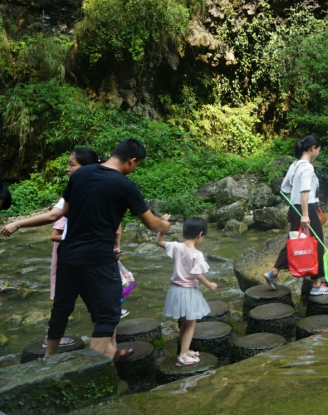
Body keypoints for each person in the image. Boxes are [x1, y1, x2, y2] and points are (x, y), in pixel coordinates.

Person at [41, 139, 170, 361]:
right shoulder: (125, 185)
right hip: (98, 257)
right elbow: (151, 224)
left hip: (69, 253)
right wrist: (165, 225)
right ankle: (90, 366)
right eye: (136, 165)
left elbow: (64, 212)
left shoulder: (81, 174)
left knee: (62, 308)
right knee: (109, 313)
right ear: (132, 161)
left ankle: (48, 359)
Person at [1, 147, 105, 348]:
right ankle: (105, 351)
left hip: (78, 255)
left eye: (71, 164)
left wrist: (17, 224)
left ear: (86, 167)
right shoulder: (102, 187)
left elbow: (52, 216)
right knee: (96, 305)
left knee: (73, 306)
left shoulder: (80, 189)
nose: (67, 169)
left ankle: (101, 351)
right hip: (89, 254)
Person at [264, 136, 328, 295]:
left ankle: (273, 273)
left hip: (294, 209)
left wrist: (298, 204)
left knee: (295, 243)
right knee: (316, 245)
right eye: (318, 150)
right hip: (306, 210)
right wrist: (306, 215)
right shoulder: (307, 167)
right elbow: (305, 192)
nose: (318, 154)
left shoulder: (294, 165)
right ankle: (316, 285)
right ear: (313, 148)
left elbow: (284, 188)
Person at [156, 216, 217, 367]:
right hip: (188, 291)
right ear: (200, 235)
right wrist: (209, 285)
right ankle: (183, 356)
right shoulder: (197, 254)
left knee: (184, 322)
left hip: (175, 289)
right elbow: (197, 274)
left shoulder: (177, 246)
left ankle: (184, 350)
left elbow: (158, 242)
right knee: (191, 324)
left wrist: (162, 227)